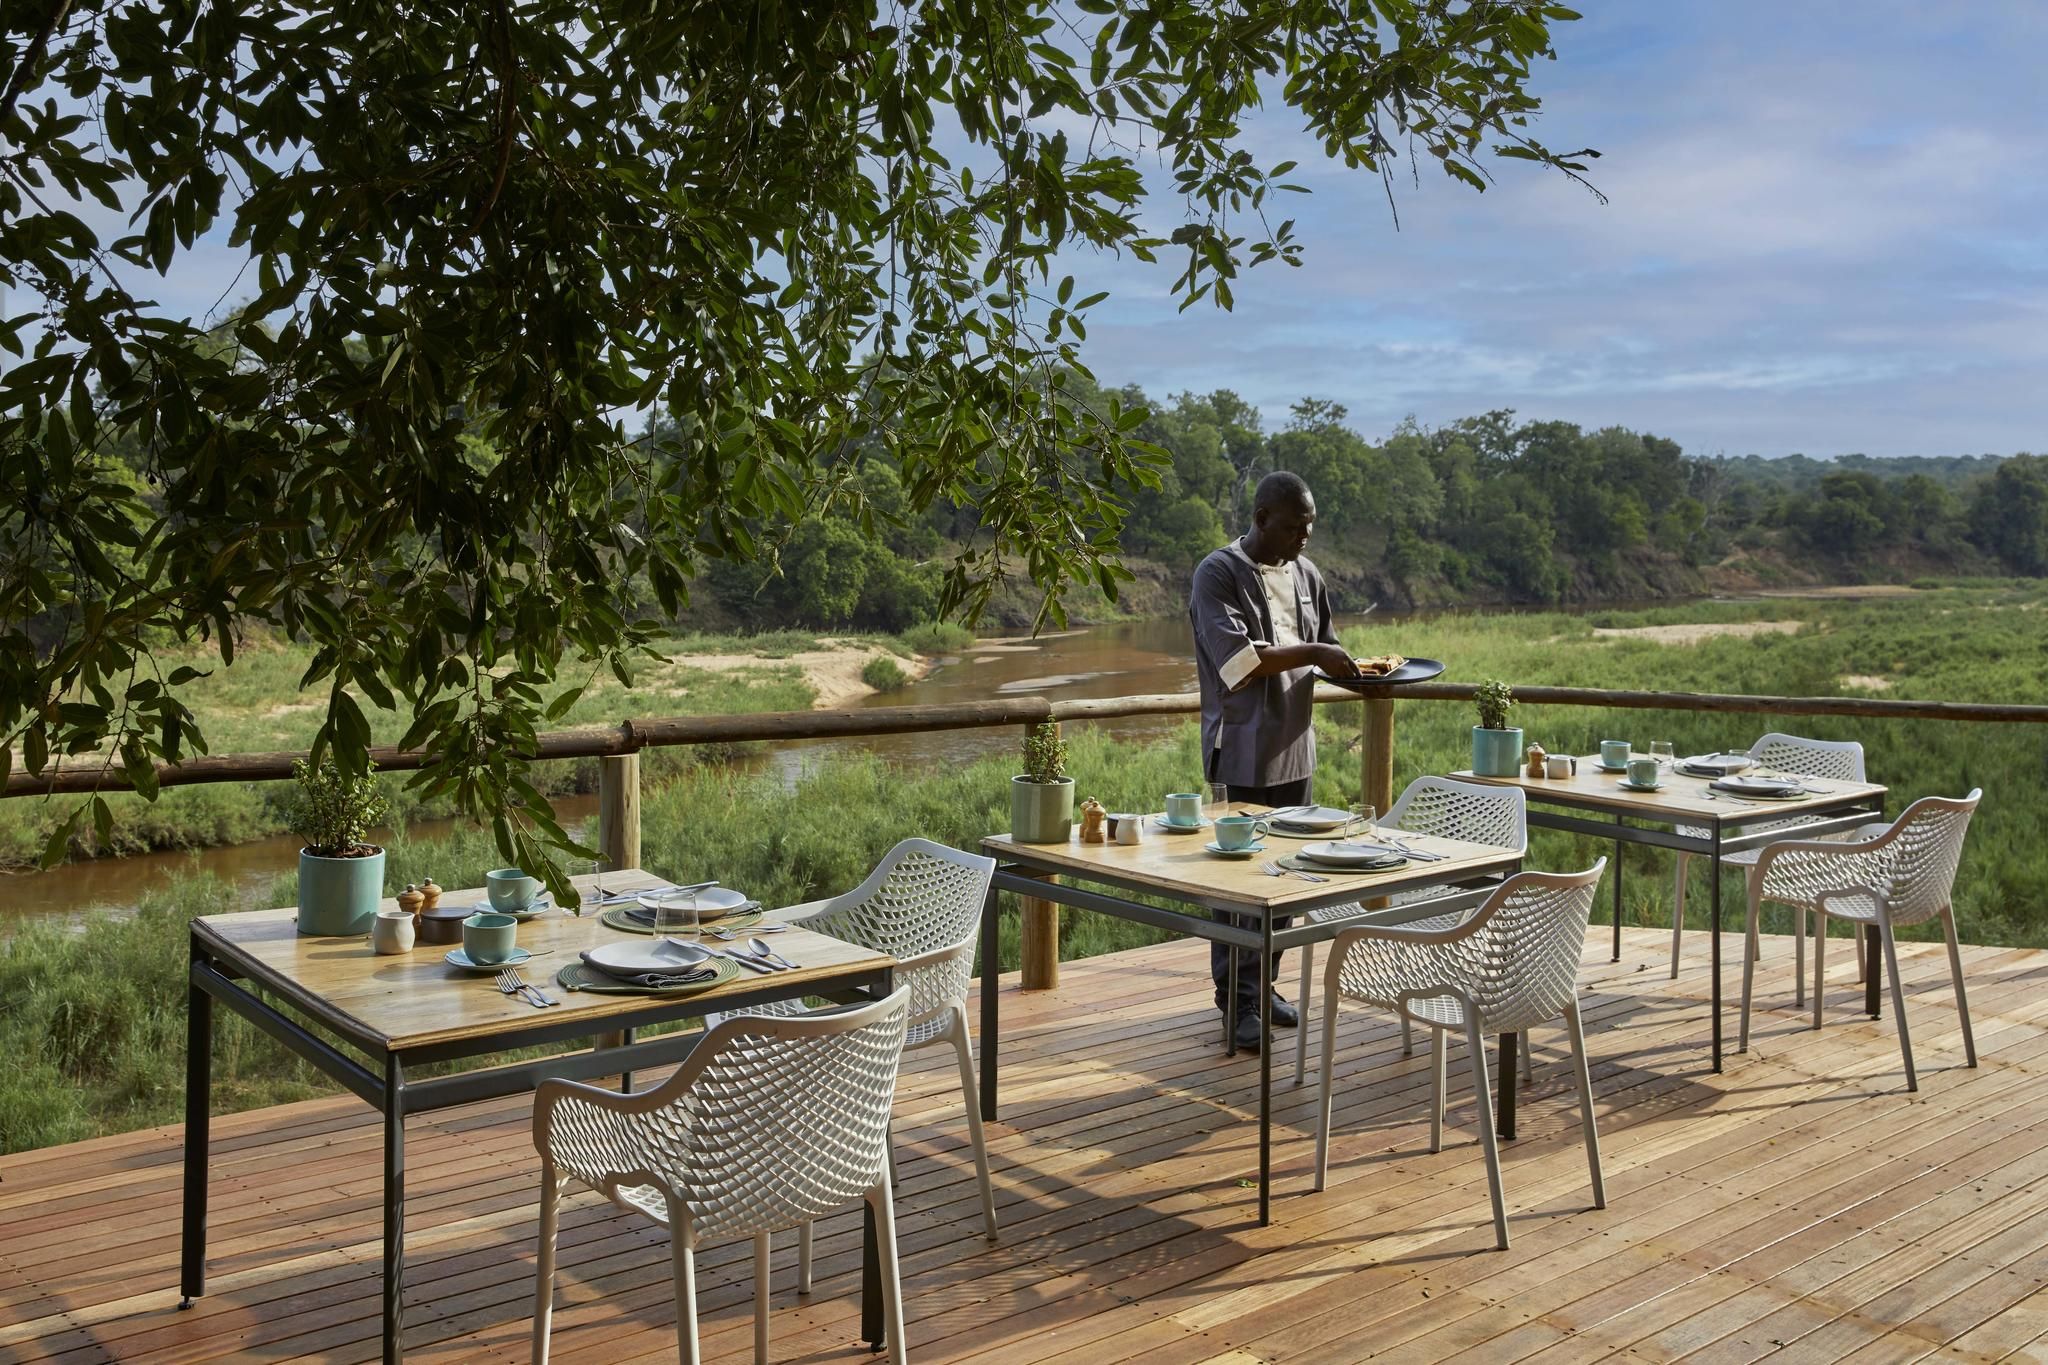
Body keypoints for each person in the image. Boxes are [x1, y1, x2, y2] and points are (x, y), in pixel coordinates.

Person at [1188, 471, 1359, 1052]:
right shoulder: (1218, 574)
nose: (1303, 538)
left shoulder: (1308, 575)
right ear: (1260, 518)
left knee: (1287, 875)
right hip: (1240, 747)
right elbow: (1236, 663)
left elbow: (1329, 648)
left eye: (1309, 527)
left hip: (1295, 747)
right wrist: (1316, 652)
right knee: (1237, 880)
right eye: (1292, 527)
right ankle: (1234, 1002)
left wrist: (1361, 673)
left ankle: (1265, 987)